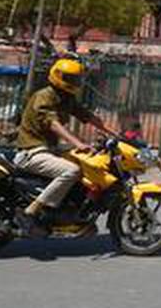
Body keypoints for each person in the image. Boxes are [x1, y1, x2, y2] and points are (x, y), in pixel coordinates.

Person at [13, 59, 108, 236]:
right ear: (57, 76)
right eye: (70, 78)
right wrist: (78, 143)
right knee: (71, 171)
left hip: (49, 150)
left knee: (86, 167)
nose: (74, 82)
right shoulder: (45, 96)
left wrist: (115, 134)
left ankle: (70, 216)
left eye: (76, 79)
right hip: (31, 151)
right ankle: (30, 212)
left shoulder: (66, 98)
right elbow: (53, 124)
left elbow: (87, 116)